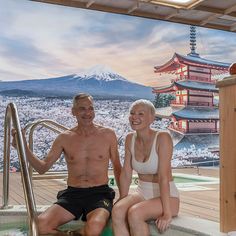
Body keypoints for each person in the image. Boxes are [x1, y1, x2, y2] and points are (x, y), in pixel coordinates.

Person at [12, 93, 121, 235]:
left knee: (94, 227)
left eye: (91, 108)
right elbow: (42, 168)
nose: (87, 113)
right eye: (82, 108)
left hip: (100, 194)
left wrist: (123, 196)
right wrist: (23, 147)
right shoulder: (64, 138)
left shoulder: (108, 135)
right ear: (73, 112)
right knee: (39, 226)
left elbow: (118, 168)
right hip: (72, 194)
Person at [112, 99, 179, 236]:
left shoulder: (163, 138)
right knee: (117, 210)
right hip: (142, 192)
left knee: (135, 213)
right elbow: (126, 173)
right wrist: (123, 198)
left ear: (152, 118)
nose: (135, 117)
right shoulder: (130, 138)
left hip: (168, 196)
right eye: (132, 113)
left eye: (141, 114)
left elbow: (163, 177)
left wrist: (167, 213)